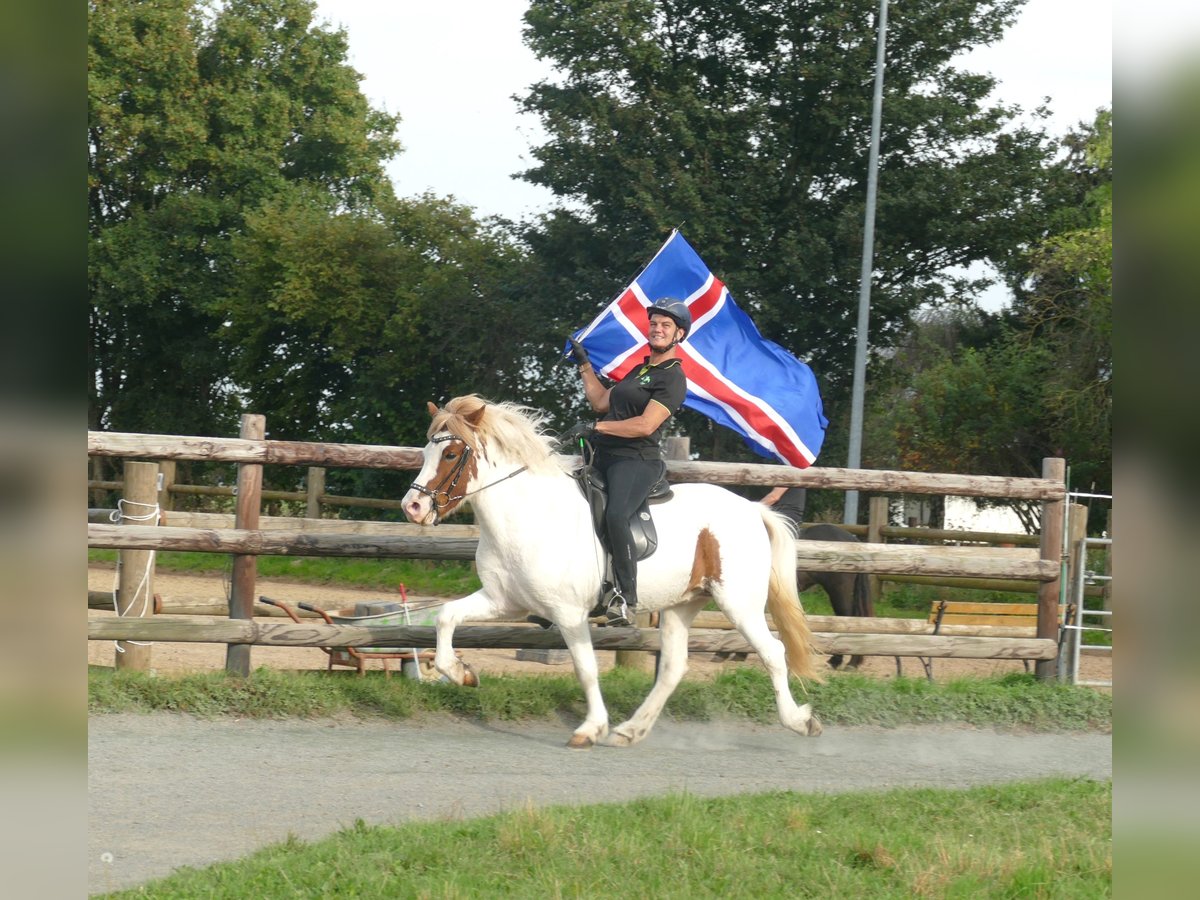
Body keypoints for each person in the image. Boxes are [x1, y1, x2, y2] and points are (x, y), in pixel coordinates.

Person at [566, 297, 690, 625]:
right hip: (603, 455)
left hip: (635, 460)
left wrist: (596, 427)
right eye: (654, 324)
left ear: (679, 334)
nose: (657, 329)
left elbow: (645, 425)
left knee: (617, 514)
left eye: (666, 325)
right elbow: (600, 400)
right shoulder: (640, 370)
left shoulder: (673, 378)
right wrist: (584, 363)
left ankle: (625, 597)